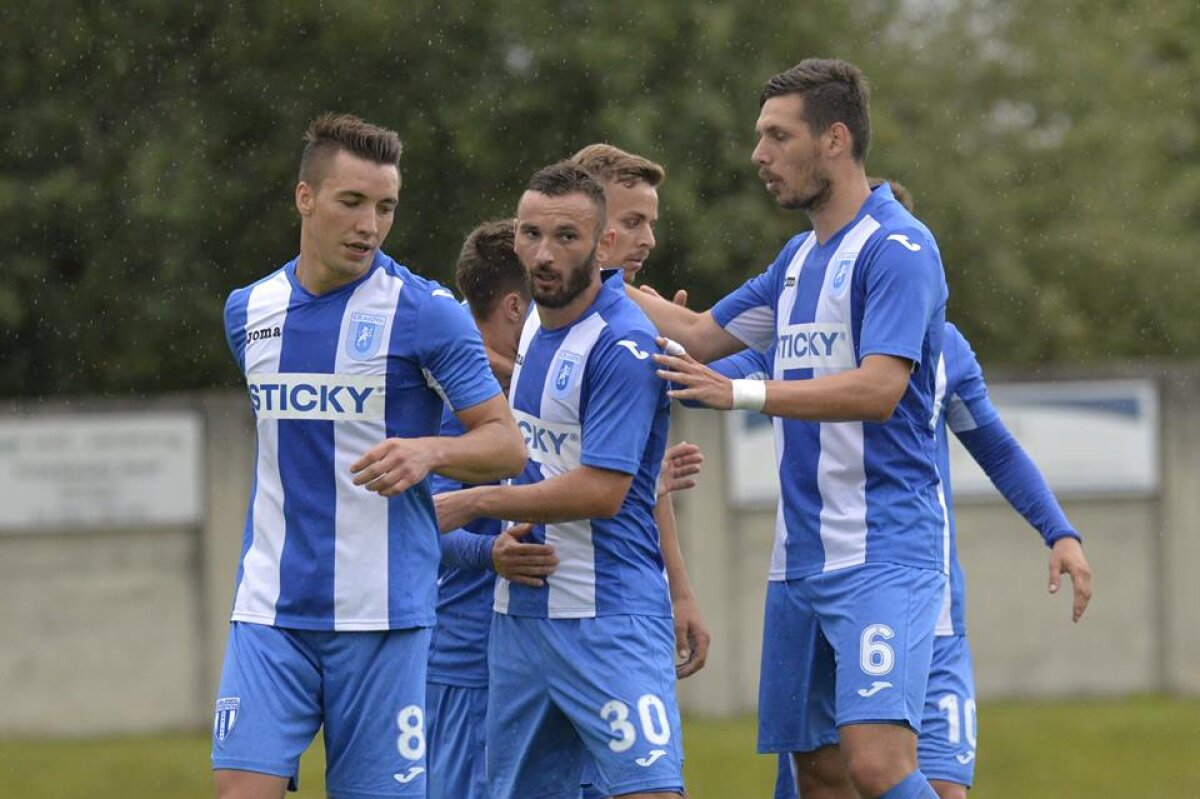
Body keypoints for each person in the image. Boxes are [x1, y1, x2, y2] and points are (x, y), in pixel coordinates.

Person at [628, 59, 952, 799]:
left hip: (883, 549)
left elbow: (878, 388)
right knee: (817, 770)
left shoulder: (898, 248)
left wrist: (744, 392)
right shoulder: (798, 260)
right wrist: (598, 273)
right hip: (798, 558)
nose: (759, 156)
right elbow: (699, 336)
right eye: (759, 137)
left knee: (876, 763)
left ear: (835, 139)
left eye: (777, 136)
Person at [212, 113, 526, 799]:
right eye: (352, 202)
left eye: (385, 207)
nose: (370, 224)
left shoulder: (425, 312)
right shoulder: (248, 311)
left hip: (383, 615)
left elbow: (505, 441)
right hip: (270, 608)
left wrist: (428, 450)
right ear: (305, 198)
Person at [435, 162, 685, 799]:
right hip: (518, 621)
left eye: (566, 237)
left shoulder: (621, 342)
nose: (543, 254)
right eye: (530, 235)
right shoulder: (530, 339)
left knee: (650, 791)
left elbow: (602, 490)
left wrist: (473, 503)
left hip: (609, 619)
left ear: (603, 247)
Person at [570, 143, 711, 680]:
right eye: (631, 222)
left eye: (650, 223)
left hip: (622, 591)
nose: (647, 239)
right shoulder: (530, 311)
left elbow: (634, 480)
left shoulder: (632, 315)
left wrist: (681, 589)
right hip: (528, 595)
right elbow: (709, 337)